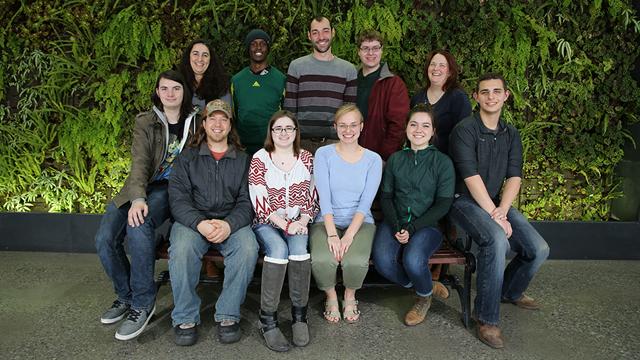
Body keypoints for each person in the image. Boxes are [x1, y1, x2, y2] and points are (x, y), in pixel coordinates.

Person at [449, 73, 550, 349]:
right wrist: (496, 215)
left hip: (495, 204)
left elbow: (514, 176)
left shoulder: (511, 133)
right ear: (476, 97)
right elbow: (470, 177)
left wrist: (502, 211)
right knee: (495, 239)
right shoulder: (465, 130)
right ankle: (487, 318)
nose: (490, 96)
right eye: (485, 92)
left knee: (539, 249)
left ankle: (509, 291)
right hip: (463, 200)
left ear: (506, 95)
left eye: (496, 91)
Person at [95, 70, 197, 341]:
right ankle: (125, 297)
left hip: (170, 189)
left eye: (176, 88)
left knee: (139, 223)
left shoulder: (197, 122)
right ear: (157, 92)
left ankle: (143, 302)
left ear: (184, 91)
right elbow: (139, 163)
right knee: (105, 239)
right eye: (164, 89)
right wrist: (137, 197)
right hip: (140, 186)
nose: (170, 94)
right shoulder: (146, 121)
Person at [167, 99, 258, 346]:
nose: (218, 124)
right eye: (213, 118)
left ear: (230, 125)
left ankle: (228, 314)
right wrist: (200, 223)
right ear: (204, 124)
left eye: (224, 119)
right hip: (194, 221)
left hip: (231, 222)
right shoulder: (188, 157)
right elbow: (177, 198)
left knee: (248, 248)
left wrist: (229, 225)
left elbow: (248, 201)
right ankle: (185, 316)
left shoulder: (243, 159)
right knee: (182, 248)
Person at [372, 105, 454, 326]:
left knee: (413, 259)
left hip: (427, 226)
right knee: (382, 262)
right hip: (394, 222)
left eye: (425, 125)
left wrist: (412, 228)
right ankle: (423, 286)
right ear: (406, 128)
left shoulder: (442, 162)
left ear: (433, 130)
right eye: (414, 124)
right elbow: (387, 197)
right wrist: (397, 224)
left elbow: (443, 203)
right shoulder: (396, 160)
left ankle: (423, 299)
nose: (419, 130)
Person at [248, 111, 318, 352]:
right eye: (278, 128)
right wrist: (286, 225)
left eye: (289, 128)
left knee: (299, 249)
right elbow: (259, 201)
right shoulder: (260, 158)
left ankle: (300, 317)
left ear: (296, 132)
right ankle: (268, 318)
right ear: (271, 132)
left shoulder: (307, 158)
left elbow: (312, 196)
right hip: (267, 221)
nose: (284, 133)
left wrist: (304, 220)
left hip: (299, 221)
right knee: (278, 249)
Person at [310, 104, 382, 323]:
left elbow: (365, 203)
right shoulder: (324, 154)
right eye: (342, 125)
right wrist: (332, 235)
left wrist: (349, 235)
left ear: (361, 127)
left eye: (353, 125)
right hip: (326, 220)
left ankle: (350, 296)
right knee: (323, 259)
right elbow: (324, 197)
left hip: (360, 222)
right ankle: (331, 296)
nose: (348, 130)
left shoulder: (373, 160)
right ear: (335, 127)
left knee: (355, 261)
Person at [284, 16, 358, 153]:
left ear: (333, 32)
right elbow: (289, 111)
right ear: (309, 36)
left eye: (325, 31)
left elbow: (349, 113)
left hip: (335, 144)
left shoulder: (348, 70)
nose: (321, 37)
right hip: (301, 144)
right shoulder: (296, 67)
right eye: (315, 32)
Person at [355, 30, 409, 162]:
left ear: (382, 50)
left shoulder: (394, 84)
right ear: (358, 51)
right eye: (366, 48)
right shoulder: (351, 79)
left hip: (378, 156)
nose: (371, 53)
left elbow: (398, 125)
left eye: (375, 48)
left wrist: (384, 156)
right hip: (349, 152)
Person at [232, 29, 286, 155]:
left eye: (262, 44)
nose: (258, 47)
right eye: (253, 44)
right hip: (243, 149)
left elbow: (285, 113)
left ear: (268, 48)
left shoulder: (280, 79)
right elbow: (234, 113)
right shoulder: (237, 80)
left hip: (273, 147)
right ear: (248, 49)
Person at [410, 50, 471, 155]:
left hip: (446, 161)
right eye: (432, 64)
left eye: (442, 65)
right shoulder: (417, 97)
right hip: (418, 159)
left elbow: (463, 136)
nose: (436, 68)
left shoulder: (458, 98)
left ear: (450, 72)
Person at [179, 39, 231, 112]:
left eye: (205, 55)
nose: (200, 59)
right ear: (188, 57)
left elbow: (226, 115)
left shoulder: (222, 85)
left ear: (210, 59)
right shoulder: (178, 82)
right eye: (195, 54)